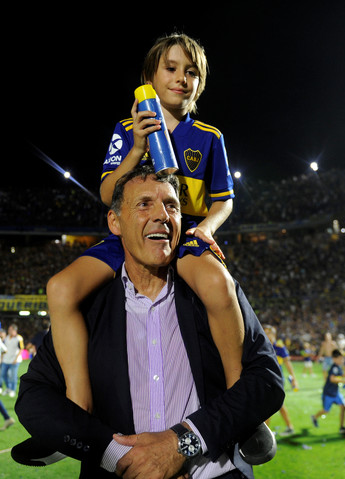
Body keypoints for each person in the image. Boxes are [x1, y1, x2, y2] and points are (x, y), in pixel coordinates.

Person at [14, 165, 284, 478]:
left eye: (172, 205)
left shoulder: (212, 292)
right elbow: (34, 397)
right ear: (115, 222)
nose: (161, 215)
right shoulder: (89, 308)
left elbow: (265, 380)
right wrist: (115, 455)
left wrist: (181, 445)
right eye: (144, 204)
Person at [45, 32, 245, 423]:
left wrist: (205, 228)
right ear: (148, 78)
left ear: (200, 83)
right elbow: (107, 193)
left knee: (219, 285)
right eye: (170, 68)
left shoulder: (209, 137)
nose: (181, 79)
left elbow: (225, 199)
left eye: (191, 73)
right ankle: (76, 407)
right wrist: (137, 147)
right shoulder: (127, 128)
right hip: (130, 237)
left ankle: (242, 405)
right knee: (61, 288)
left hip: (181, 235)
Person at [263, 324, 297, 435]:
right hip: (265, 379)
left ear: (274, 334)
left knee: (269, 405)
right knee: (278, 405)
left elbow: (288, 363)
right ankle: (289, 427)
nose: (266, 334)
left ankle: (266, 432)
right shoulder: (261, 345)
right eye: (265, 332)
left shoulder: (279, 347)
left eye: (268, 332)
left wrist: (294, 378)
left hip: (277, 379)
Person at [311, 349, 345, 434]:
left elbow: (341, 375)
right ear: (334, 359)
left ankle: (342, 428)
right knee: (326, 411)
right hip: (328, 393)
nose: (342, 360)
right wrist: (344, 381)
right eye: (340, 358)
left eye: (342, 358)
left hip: (335, 393)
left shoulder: (338, 367)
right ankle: (314, 417)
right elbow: (332, 379)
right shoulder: (334, 367)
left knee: (343, 407)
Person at [0, 323, 24, 398]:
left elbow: (21, 349)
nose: (9, 331)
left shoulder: (18, 338)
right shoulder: (7, 337)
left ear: (14, 330)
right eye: (9, 330)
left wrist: (16, 359)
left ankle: (13, 390)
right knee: (3, 374)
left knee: (13, 376)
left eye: (10, 330)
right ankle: (8, 388)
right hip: (6, 359)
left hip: (14, 360)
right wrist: (2, 357)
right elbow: (4, 349)